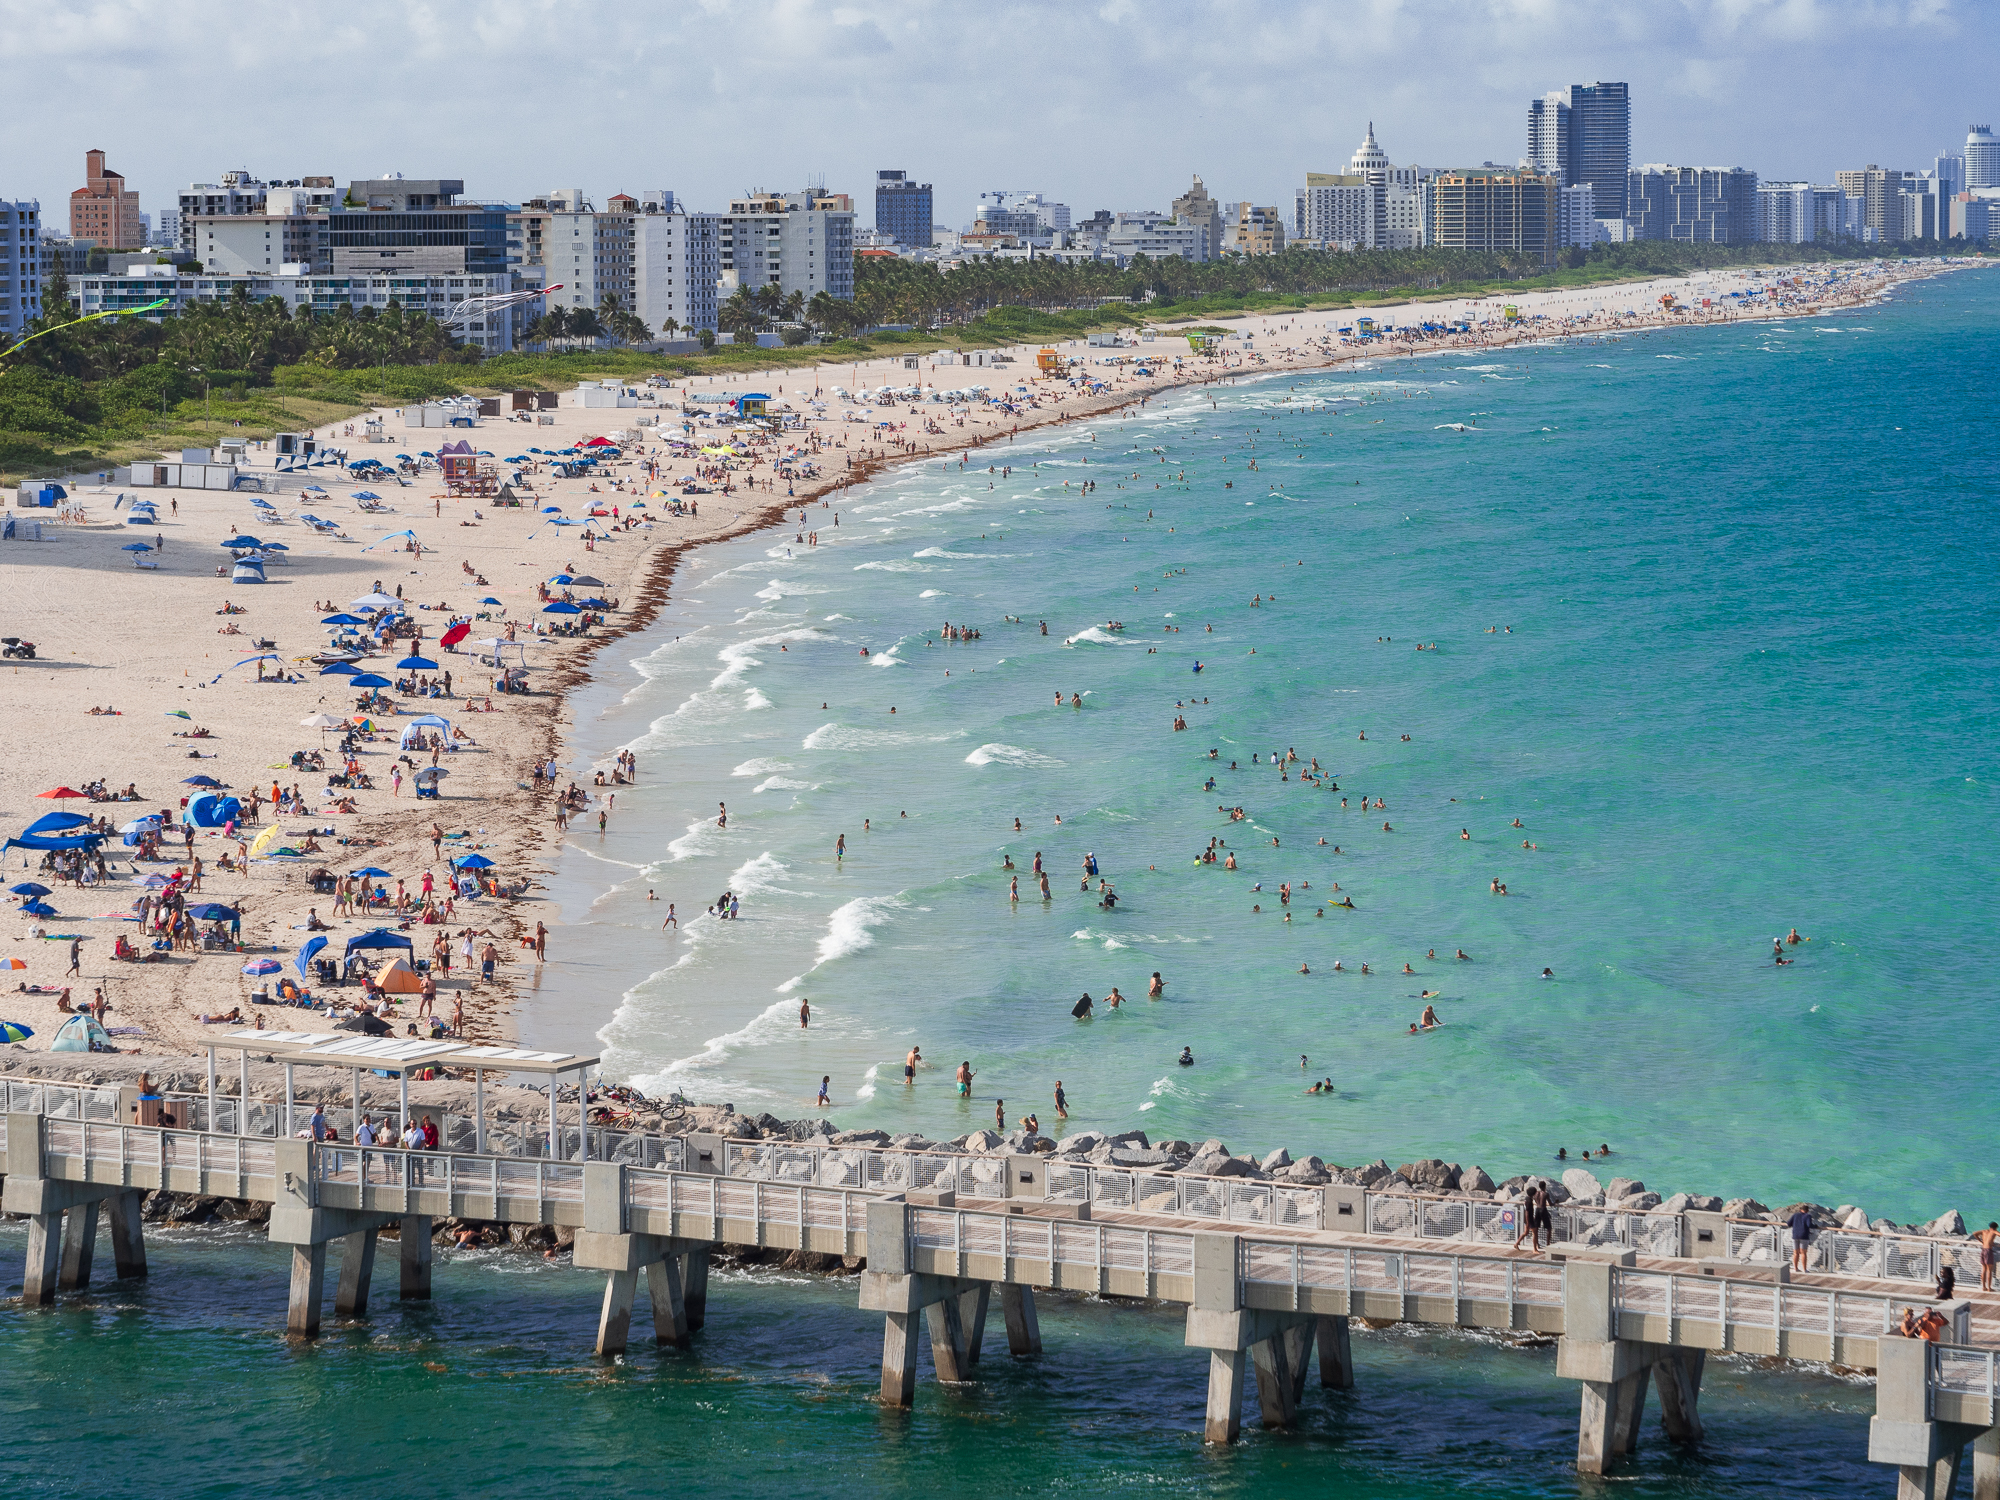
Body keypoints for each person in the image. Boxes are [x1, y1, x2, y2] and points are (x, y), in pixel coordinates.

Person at [1788, 1204, 1814, 1272]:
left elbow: (1788, 1223)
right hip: (1804, 1236)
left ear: (1800, 1210)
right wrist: (1815, 1226)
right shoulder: (1808, 1216)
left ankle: (1795, 1268)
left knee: (1795, 1253)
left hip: (1795, 1235)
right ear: (1807, 1210)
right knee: (1803, 1253)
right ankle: (1804, 1269)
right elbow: (1809, 1225)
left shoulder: (1795, 1215)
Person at [1976, 1223, 2000, 1293]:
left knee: (1983, 1269)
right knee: (1989, 1270)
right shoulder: (1994, 1231)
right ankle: (1989, 1288)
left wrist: (1980, 1241)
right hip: (1989, 1251)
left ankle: (1984, 1287)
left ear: (1990, 1227)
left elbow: (1975, 1233)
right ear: (1995, 1227)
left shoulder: (1984, 1231)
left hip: (1983, 1250)